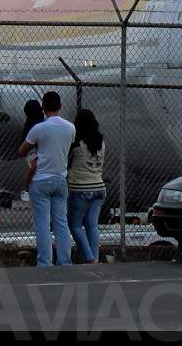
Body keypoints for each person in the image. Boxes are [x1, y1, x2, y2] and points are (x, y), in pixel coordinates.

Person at [19, 91, 75, 267]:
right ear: (60, 106)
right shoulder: (70, 128)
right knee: (61, 223)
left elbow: (23, 149)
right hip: (60, 178)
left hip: (41, 179)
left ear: (43, 107)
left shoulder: (39, 128)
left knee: (42, 224)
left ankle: (44, 261)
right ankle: (65, 260)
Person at [67, 109, 106, 265]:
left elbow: (66, 161)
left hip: (81, 187)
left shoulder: (76, 144)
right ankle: (94, 257)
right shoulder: (101, 143)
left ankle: (89, 258)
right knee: (92, 224)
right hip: (99, 186)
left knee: (74, 224)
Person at [21, 99, 46, 201]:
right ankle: (25, 190)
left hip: (41, 147)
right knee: (33, 167)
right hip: (32, 149)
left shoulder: (42, 123)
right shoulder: (29, 126)